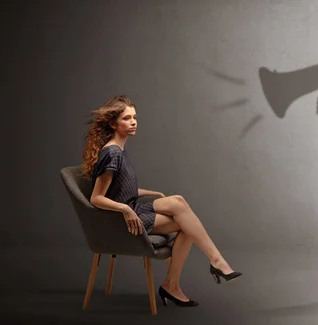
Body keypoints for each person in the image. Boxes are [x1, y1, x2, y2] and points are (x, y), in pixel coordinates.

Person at [81, 95, 242, 308]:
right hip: (122, 220)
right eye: (127, 118)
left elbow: (119, 188)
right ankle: (189, 276)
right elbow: (97, 198)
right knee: (187, 226)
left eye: (135, 117)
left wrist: (151, 192)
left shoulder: (120, 149)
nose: (133, 122)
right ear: (113, 123)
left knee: (178, 201)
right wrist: (124, 210)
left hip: (133, 207)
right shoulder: (112, 153)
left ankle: (209, 266)